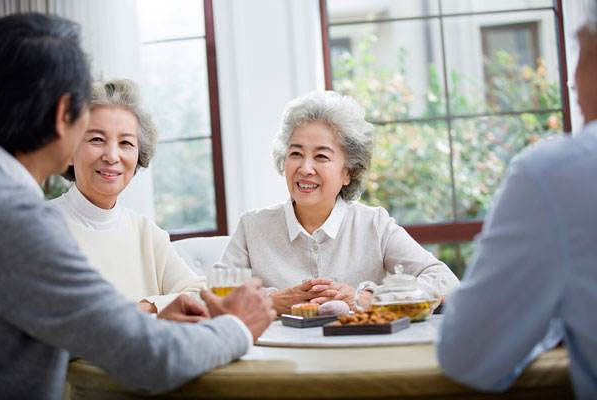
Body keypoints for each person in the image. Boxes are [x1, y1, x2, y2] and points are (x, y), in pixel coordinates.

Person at [0, 12, 275, 400]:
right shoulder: (19, 218)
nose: (111, 155)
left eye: (125, 143)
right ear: (65, 115)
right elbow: (149, 357)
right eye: (92, 132)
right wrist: (239, 327)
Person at [437, 9, 597, 399]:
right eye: (295, 153)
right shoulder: (260, 225)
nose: (572, 82)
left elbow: (468, 355)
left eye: (322, 156)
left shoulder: (555, 175)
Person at [220, 91, 459, 314]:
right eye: (295, 154)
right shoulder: (252, 227)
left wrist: (367, 299)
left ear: (348, 173)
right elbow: (212, 299)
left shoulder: (374, 224)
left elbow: (444, 280)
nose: (305, 168)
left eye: (321, 156)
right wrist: (274, 302)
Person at [52, 78, 205, 313]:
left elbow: (198, 292)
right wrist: (147, 312)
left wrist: (145, 307)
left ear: (137, 159)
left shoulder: (145, 232)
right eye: (96, 139)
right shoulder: (42, 225)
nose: (112, 156)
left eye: (126, 143)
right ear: (70, 151)